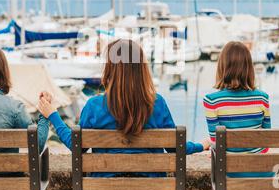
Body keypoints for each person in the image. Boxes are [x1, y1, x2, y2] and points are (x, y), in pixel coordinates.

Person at [38, 39, 209, 177]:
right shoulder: (158, 103)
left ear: (110, 69)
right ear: (140, 69)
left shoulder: (94, 105)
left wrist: (53, 114)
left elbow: (76, 145)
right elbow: (176, 147)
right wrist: (201, 145)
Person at [203, 41, 272, 177]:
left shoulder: (212, 101)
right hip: (262, 174)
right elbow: (266, 139)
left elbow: (216, 141)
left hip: (228, 175)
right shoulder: (262, 98)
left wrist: (212, 148)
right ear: (249, 68)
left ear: (222, 67)